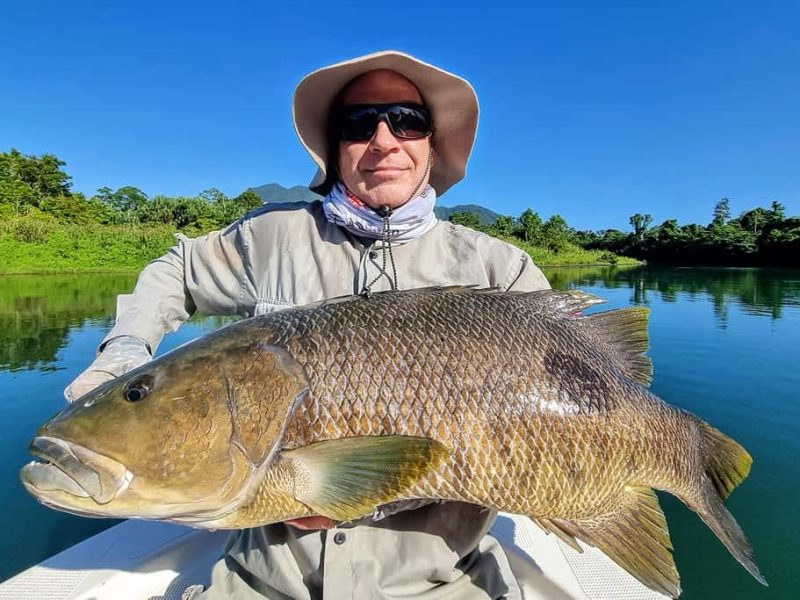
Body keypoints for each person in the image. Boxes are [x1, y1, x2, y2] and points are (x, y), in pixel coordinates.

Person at [66, 51, 551, 599]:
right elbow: (173, 272)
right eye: (359, 123)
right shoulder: (269, 236)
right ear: (334, 146)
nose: (385, 140)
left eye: (407, 121)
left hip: (444, 583)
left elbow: (572, 390)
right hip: (264, 583)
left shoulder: (500, 269)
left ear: (432, 143)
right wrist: (124, 354)